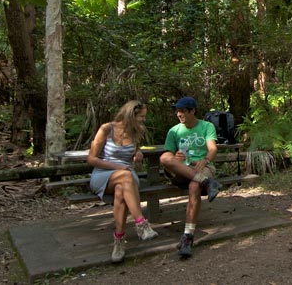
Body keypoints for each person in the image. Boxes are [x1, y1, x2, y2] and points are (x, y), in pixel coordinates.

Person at [87, 100, 159, 263]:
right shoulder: (107, 129)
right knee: (124, 177)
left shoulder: (138, 131)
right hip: (104, 175)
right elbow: (91, 159)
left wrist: (138, 153)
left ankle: (118, 241)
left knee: (121, 191)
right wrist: (117, 166)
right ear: (130, 115)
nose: (143, 120)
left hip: (127, 176)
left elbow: (135, 149)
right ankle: (141, 223)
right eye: (141, 116)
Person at [160, 96, 222, 258]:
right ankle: (208, 183)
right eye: (177, 111)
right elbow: (167, 155)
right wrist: (175, 156)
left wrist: (206, 159)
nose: (179, 114)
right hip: (182, 169)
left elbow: (213, 149)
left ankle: (188, 237)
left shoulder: (207, 126)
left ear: (192, 111)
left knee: (194, 186)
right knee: (164, 158)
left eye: (182, 111)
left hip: (202, 166)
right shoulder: (174, 131)